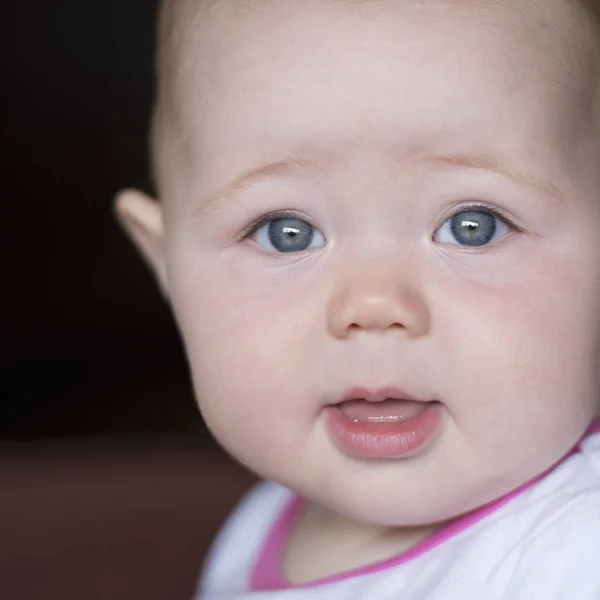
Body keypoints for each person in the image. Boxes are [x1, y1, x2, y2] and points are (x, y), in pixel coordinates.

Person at [114, 0, 600, 597]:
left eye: (474, 225)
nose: (373, 306)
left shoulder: (572, 551)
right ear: (166, 264)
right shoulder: (266, 522)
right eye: (285, 233)